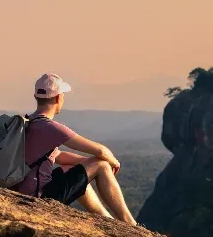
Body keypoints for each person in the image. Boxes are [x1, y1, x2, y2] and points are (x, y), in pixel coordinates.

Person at [12, 73, 137, 226]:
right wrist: (113, 162)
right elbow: (100, 151)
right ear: (59, 98)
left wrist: (87, 164)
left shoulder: (28, 123)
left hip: (24, 192)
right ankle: (130, 223)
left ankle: (107, 220)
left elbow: (58, 156)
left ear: (36, 97)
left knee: (71, 168)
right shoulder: (51, 128)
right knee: (102, 165)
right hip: (39, 197)